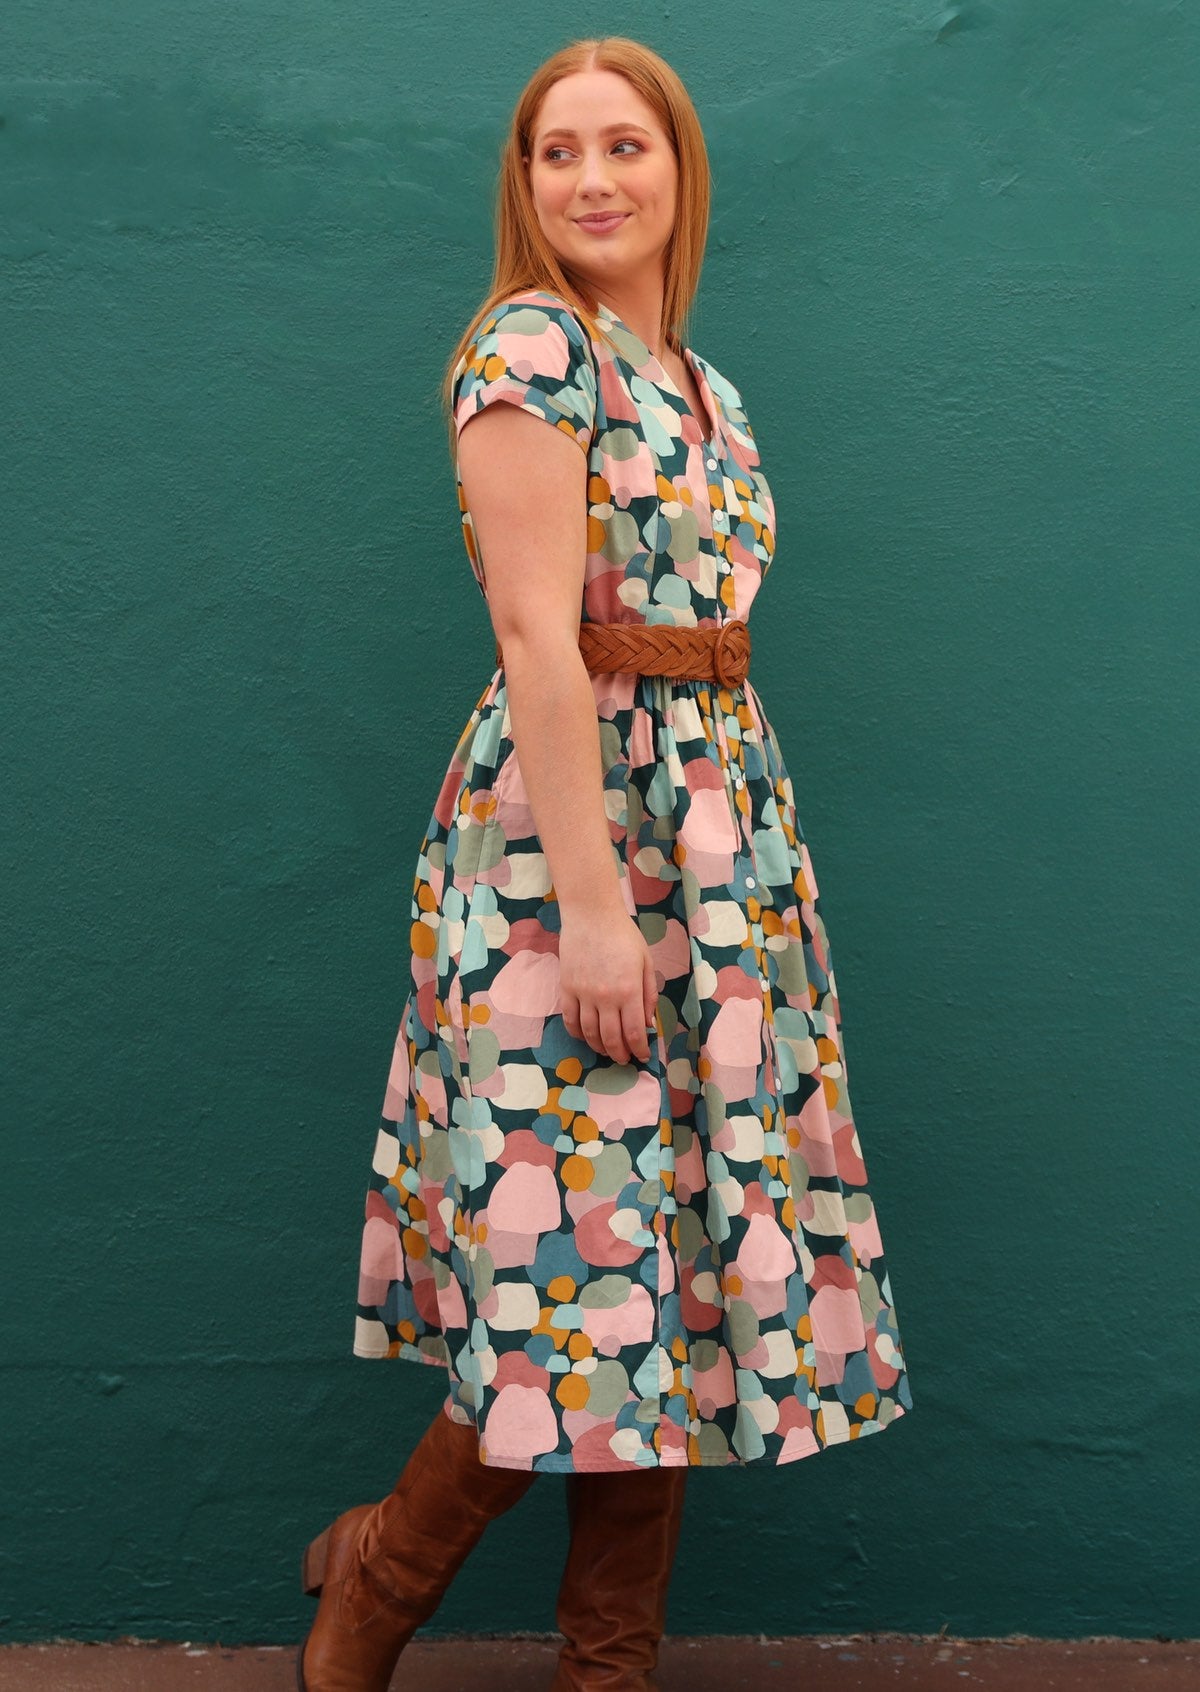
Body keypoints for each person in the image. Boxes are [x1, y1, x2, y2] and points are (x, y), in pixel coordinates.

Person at [297, 32, 915, 1692]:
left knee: (667, 1264)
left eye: (623, 146)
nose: (591, 179)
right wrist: (588, 905)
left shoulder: (704, 386)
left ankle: (607, 1664)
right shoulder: (527, 352)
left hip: (721, 841)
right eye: (556, 152)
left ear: (677, 170)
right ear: (524, 184)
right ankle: (379, 1583)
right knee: (565, 1251)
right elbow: (534, 635)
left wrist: (716, 884)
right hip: (567, 847)